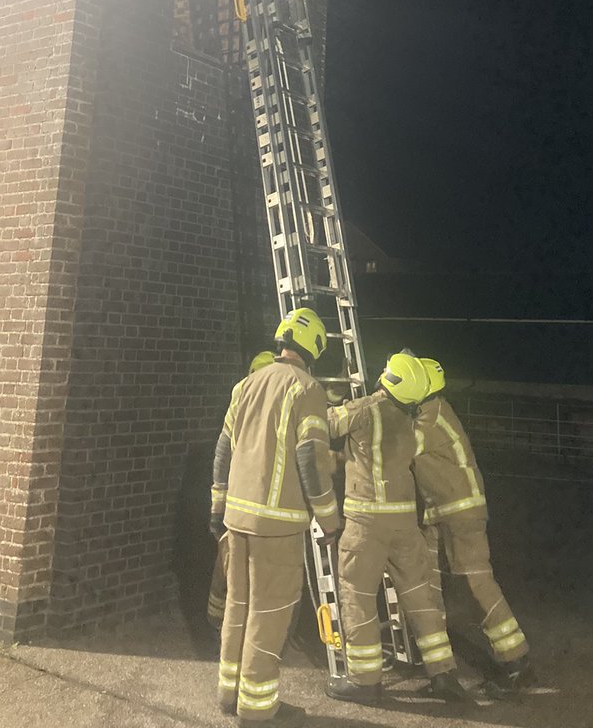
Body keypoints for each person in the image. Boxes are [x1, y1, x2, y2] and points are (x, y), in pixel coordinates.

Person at [327, 352, 484, 707]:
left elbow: (322, 425)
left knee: (357, 595)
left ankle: (365, 681)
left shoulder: (364, 409)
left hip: (366, 524)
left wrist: (332, 397)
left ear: (389, 378)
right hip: (405, 525)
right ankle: (444, 675)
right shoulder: (412, 423)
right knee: (421, 598)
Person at [210, 309, 340, 726]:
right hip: (278, 525)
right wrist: (329, 518)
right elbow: (310, 459)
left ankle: (228, 693)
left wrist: (217, 507)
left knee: (238, 607)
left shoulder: (246, 384)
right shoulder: (308, 389)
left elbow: (223, 450)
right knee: (270, 614)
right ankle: (258, 707)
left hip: (237, 518)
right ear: (315, 346)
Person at [414, 357, 534, 691]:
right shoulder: (428, 412)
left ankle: (517, 660)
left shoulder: (429, 417)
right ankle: (442, 672)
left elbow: (396, 448)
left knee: (475, 582)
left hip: (459, 512)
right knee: (428, 586)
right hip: (440, 512)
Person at [207, 351, 278, 630]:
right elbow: (223, 456)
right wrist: (217, 507)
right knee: (229, 568)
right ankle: (219, 624)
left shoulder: (262, 409)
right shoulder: (248, 409)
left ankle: (236, 627)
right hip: (243, 508)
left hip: (250, 508)